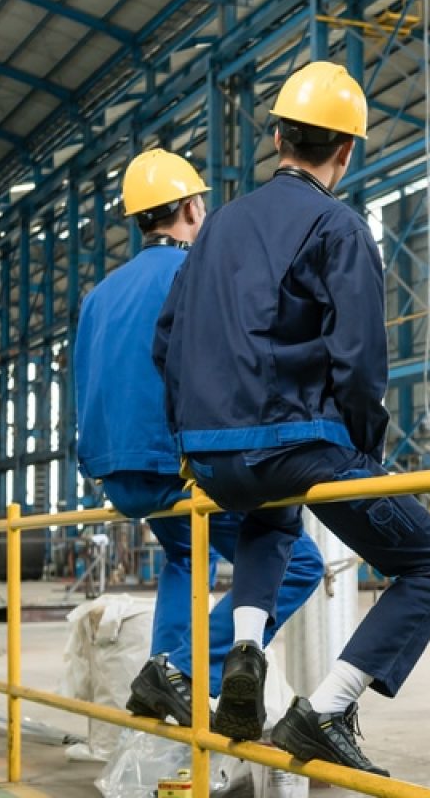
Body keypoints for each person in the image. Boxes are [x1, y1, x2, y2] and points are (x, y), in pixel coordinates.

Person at [153, 62, 430, 776]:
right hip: (296, 448)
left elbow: (166, 342)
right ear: (347, 151)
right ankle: (324, 710)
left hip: (209, 457)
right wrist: (364, 455)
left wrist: (190, 442)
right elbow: (359, 360)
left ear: (276, 138)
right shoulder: (337, 226)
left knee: (269, 517)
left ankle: (244, 654)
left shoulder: (216, 228)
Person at [74, 149, 325, 741]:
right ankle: (182, 667)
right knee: (297, 559)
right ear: (191, 207)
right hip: (174, 465)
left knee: (188, 554)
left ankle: (161, 675)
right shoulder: (196, 274)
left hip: (117, 471)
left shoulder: (99, 294)